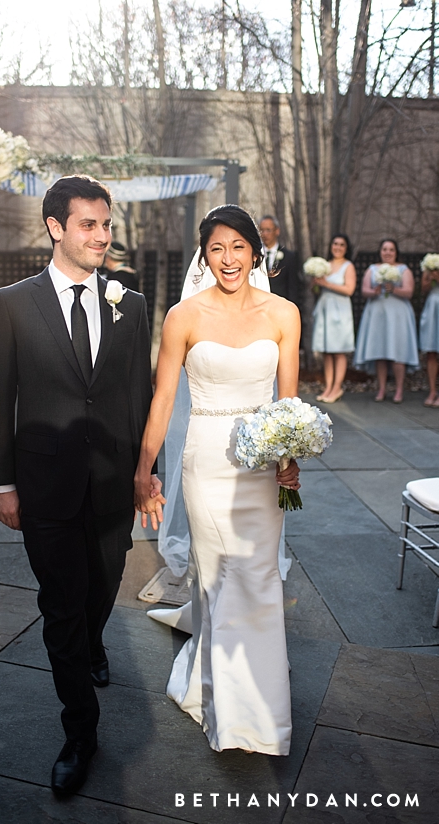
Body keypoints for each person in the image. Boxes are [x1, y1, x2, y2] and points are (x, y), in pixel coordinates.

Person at [0, 175, 159, 796]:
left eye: (107, 224)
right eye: (89, 224)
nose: (102, 236)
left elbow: (139, 394)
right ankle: (80, 730)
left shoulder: (129, 305)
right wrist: (3, 483)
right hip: (44, 486)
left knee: (103, 585)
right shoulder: (12, 304)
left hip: (113, 485)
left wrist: (146, 472)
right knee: (60, 604)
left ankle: (94, 641)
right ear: (56, 227)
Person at [134, 205, 300, 755]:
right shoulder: (183, 317)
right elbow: (161, 401)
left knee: (257, 582)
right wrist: (145, 470)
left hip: (262, 471)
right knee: (220, 580)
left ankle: (263, 705)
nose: (228, 259)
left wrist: (290, 460)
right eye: (216, 249)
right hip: (206, 461)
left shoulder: (284, 314)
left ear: (256, 251)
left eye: (238, 247)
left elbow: (289, 403)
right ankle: (229, 715)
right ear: (204, 257)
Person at [354, 239, 419, 403]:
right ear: (380, 251)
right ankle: (381, 389)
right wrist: (373, 292)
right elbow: (364, 290)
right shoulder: (372, 269)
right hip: (378, 314)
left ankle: (398, 390)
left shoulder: (404, 270)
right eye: (384, 249)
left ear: (396, 252)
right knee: (380, 352)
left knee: (398, 352)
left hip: (398, 315)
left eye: (391, 249)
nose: (388, 252)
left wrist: (394, 289)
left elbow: (409, 292)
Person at [311, 234, 356, 403]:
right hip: (325, 308)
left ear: (346, 248)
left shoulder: (348, 266)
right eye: (335, 244)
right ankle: (328, 387)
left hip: (340, 310)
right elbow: (316, 290)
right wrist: (315, 284)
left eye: (341, 244)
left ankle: (337, 387)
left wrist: (326, 284)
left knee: (338, 351)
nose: (337, 247)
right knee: (326, 351)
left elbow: (349, 290)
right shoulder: (325, 265)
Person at [259, 214, 300, 308]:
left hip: (280, 307)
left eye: (268, 230)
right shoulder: (254, 255)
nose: (264, 234)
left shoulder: (289, 257)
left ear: (277, 231)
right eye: (262, 230)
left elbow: (293, 287)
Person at [420, 264, 439, 407]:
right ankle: (432, 390)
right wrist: (431, 278)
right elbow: (423, 289)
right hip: (433, 308)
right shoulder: (431, 263)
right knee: (431, 351)